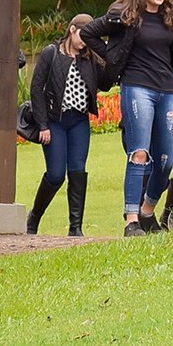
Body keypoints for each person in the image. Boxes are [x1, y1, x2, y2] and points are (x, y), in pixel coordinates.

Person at [90, 0, 173, 237]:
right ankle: (131, 219)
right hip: (137, 87)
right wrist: (114, 57)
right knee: (140, 153)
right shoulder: (126, 15)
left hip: (167, 90)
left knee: (166, 161)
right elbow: (89, 33)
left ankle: (147, 210)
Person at [25, 14, 101, 236]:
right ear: (71, 29)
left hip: (79, 120)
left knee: (78, 171)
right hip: (54, 121)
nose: (85, 41)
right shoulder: (52, 53)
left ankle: (75, 227)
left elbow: (106, 80)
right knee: (56, 174)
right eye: (82, 35)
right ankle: (34, 217)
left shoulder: (90, 58)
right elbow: (36, 87)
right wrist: (42, 124)